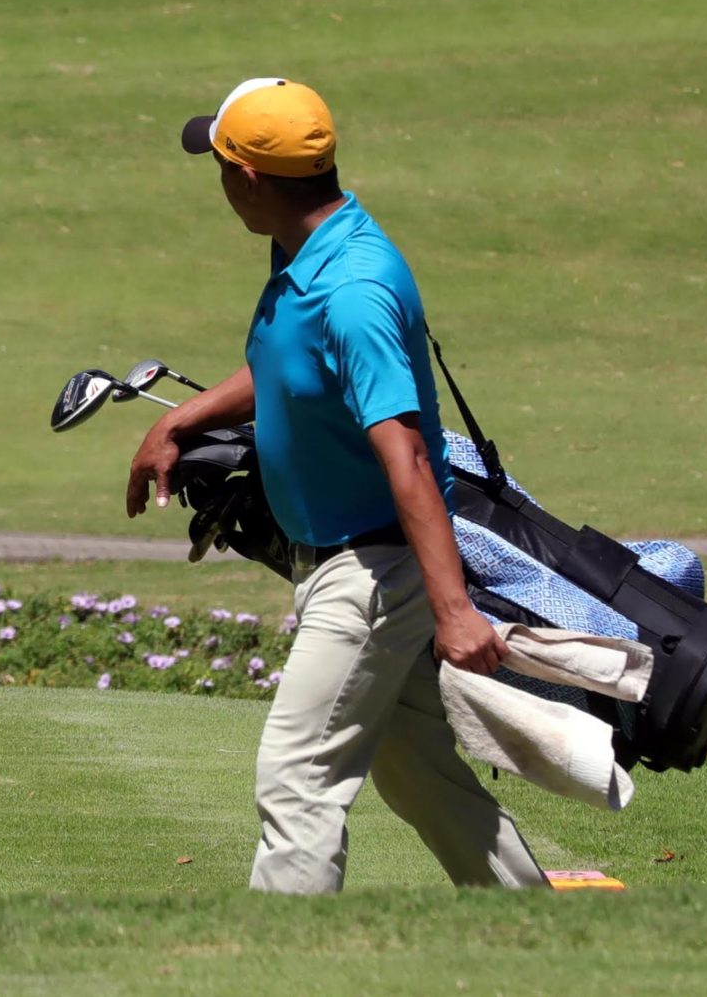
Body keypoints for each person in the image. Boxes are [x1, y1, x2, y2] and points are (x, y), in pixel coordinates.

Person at [123, 77, 546, 894]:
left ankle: (283, 957)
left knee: (296, 778)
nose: (218, 181)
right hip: (351, 564)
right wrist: (179, 421)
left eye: (221, 166)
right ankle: (542, 928)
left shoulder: (353, 290)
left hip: (372, 571)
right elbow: (288, 363)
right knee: (419, 775)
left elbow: (408, 456)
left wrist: (454, 610)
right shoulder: (305, 246)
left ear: (250, 179)